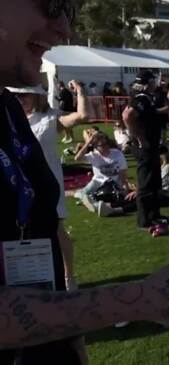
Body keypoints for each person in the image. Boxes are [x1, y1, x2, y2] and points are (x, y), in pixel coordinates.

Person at [0, 0, 169, 359]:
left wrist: (73, 344)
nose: (64, 30)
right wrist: (142, 299)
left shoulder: (8, 111)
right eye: (51, 5)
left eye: (68, 13)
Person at [9, 82, 89, 291]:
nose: (20, 99)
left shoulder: (50, 118)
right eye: (16, 96)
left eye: (24, 95)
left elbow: (82, 117)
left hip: (47, 183)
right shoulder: (11, 120)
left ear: (37, 97)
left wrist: (80, 92)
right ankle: (35, 277)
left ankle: (68, 277)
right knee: (25, 230)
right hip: (20, 183)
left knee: (56, 229)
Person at [122, 70, 163, 228]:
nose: (155, 84)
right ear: (148, 83)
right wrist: (138, 137)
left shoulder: (146, 98)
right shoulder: (141, 98)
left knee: (153, 181)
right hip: (145, 146)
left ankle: (154, 215)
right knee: (146, 183)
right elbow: (127, 115)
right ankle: (145, 219)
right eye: (153, 82)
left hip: (151, 145)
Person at [73, 132, 130, 214]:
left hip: (113, 183)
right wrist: (88, 142)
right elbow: (77, 158)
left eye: (106, 144)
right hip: (97, 181)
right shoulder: (93, 156)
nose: (106, 146)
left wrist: (125, 187)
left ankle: (92, 203)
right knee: (82, 194)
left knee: (85, 195)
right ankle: (96, 205)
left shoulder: (117, 154)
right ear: (96, 147)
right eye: (102, 145)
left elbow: (123, 173)